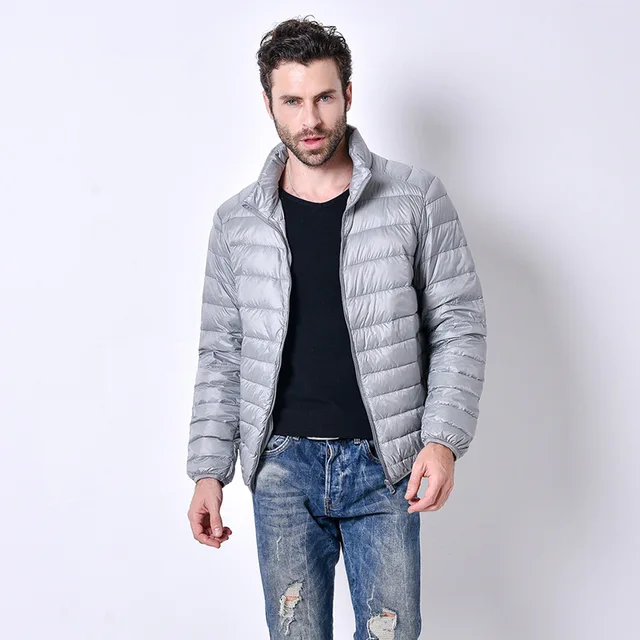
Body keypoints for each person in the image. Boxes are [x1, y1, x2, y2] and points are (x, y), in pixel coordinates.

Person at [186, 15, 487, 639]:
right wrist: (208, 471)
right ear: (268, 103)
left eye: (324, 97)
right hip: (281, 470)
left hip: (386, 464)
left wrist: (442, 440)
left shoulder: (415, 199)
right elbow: (221, 353)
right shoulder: (237, 222)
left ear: (348, 94)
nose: (310, 119)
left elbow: (458, 325)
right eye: (292, 101)